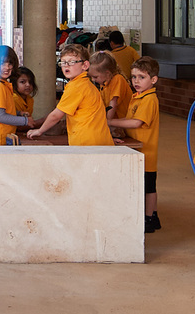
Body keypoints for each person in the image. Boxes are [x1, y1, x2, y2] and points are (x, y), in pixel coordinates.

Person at [109, 57, 162, 232]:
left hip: (147, 151)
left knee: (148, 188)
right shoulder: (138, 96)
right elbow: (129, 120)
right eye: (133, 77)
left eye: (141, 77)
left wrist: (110, 123)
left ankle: (149, 219)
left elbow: (136, 123)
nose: (136, 81)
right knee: (146, 185)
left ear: (153, 80)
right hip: (137, 149)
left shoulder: (149, 99)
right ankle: (152, 217)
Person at [29, 42, 112, 146]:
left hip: (86, 142)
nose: (66, 66)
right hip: (98, 139)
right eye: (63, 62)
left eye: (72, 62)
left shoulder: (76, 87)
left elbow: (56, 115)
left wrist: (40, 131)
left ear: (85, 65)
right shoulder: (86, 84)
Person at [90, 49, 130, 122]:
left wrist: (107, 121)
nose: (93, 80)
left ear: (107, 73)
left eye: (95, 77)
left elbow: (113, 103)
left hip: (124, 122)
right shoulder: (104, 83)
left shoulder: (118, 79)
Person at [12, 67, 39, 137]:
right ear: (14, 84)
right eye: (22, 82)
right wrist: (45, 121)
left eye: (30, 82)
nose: (28, 85)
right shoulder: (14, 98)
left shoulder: (30, 99)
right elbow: (19, 126)